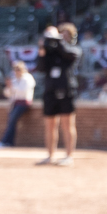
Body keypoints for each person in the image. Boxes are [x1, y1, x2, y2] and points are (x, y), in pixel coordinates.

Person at [36, 24, 82, 167]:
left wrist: (58, 40)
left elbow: (68, 53)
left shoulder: (74, 49)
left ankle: (69, 155)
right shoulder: (51, 52)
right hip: (50, 90)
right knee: (50, 125)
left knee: (67, 124)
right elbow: (41, 68)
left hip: (66, 89)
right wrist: (42, 48)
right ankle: (50, 155)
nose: (63, 36)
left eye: (66, 34)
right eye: (61, 34)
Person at [0, 59, 35, 148]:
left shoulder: (27, 78)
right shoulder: (15, 79)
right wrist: (9, 86)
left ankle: (4, 141)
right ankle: (9, 142)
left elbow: (24, 91)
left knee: (12, 120)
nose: (17, 71)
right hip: (15, 103)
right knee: (11, 122)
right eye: (15, 69)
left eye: (18, 69)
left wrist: (13, 87)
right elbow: (8, 93)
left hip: (24, 102)